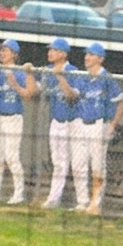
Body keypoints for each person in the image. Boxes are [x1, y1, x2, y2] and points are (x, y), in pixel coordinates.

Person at [70, 43, 123, 216]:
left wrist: (112, 125)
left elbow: (122, 101)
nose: (87, 57)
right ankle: (82, 201)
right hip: (81, 123)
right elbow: (73, 95)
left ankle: (95, 203)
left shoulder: (106, 78)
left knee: (97, 166)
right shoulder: (82, 77)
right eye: (86, 54)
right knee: (78, 164)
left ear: (100, 58)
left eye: (91, 54)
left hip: (99, 125)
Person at [0, 40, 36, 204]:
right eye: (1, 50)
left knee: (12, 157)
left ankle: (18, 194)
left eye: (5, 50)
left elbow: (28, 95)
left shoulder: (20, 72)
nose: (1, 53)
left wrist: (15, 85)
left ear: (14, 54)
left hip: (12, 117)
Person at [39, 38, 80, 209]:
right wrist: (27, 74)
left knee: (73, 164)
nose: (50, 53)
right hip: (56, 120)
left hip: (72, 122)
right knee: (57, 161)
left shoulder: (73, 70)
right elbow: (36, 89)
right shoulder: (47, 70)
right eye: (50, 50)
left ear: (63, 54)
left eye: (54, 50)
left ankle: (71, 200)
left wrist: (60, 77)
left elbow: (73, 95)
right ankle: (54, 197)